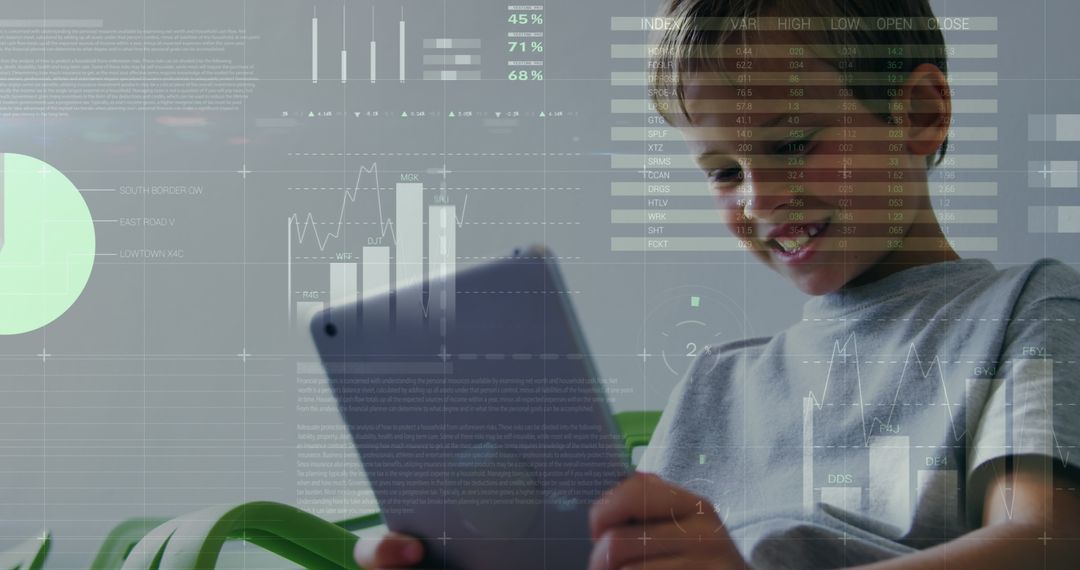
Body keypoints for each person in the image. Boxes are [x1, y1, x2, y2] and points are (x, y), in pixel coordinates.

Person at [357, 1, 1080, 568]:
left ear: (919, 114)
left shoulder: (1024, 308)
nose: (759, 200)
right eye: (725, 172)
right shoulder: (716, 382)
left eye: (793, 143)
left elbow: (1046, 544)